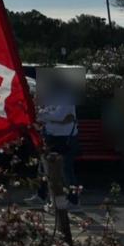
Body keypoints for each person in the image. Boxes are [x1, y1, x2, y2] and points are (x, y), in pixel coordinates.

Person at [29, 77, 80, 208]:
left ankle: (73, 200)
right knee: (43, 166)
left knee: (65, 169)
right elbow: (43, 114)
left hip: (64, 138)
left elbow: (59, 116)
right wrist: (50, 117)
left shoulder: (66, 98)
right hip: (50, 135)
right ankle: (41, 195)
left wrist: (47, 116)